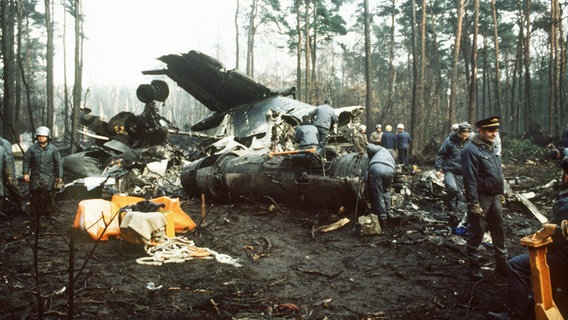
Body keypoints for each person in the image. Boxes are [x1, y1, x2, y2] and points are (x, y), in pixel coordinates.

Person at [487, 155, 568, 320]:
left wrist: (535, 239)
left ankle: (513, 313)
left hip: (565, 257)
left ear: (566, 176)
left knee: (516, 264)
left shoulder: (565, 204)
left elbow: (555, 236)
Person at [461, 116, 508, 280]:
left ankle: (502, 265)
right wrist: (473, 202)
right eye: (490, 130)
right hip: (480, 197)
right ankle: (474, 266)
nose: (494, 133)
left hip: (494, 195)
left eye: (495, 130)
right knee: (477, 230)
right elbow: (470, 179)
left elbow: (498, 172)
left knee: (499, 229)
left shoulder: (492, 147)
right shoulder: (470, 150)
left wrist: (501, 192)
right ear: (480, 130)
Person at [22, 126, 63, 220]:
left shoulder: (53, 149)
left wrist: (59, 176)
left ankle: (48, 214)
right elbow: (26, 161)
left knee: (48, 195)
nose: (41, 137)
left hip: (49, 176)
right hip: (35, 176)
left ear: (48, 137)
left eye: (43, 136)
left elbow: (58, 163)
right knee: (35, 195)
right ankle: (34, 214)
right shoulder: (32, 149)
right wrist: (25, 173)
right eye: (39, 136)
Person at [435, 122, 472, 220]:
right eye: (462, 135)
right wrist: (438, 168)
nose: (464, 138)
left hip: (463, 171)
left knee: (459, 194)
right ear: (458, 133)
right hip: (450, 170)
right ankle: (451, 206)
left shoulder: (470, 141)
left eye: (466, 136)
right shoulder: (450, 140)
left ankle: (454, 213)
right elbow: (441, 154)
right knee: (452, 188)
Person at [366, 143, 396, 227]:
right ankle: (388, 213)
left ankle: (383, 219)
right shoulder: (392, 158)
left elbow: (368, 146)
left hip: (376, 167)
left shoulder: (382, 149)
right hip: (390, 170)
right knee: (386, 191)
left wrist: (370, 157)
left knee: (378, 194)